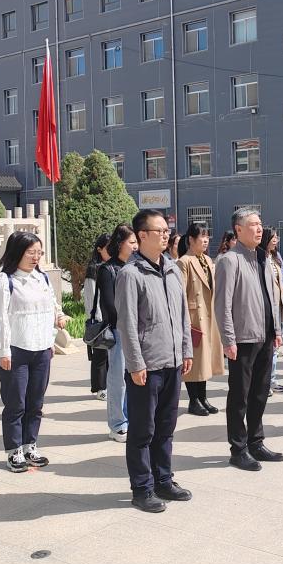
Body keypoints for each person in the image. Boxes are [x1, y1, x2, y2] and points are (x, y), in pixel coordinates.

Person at [115, 209, 194, 513]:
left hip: (172, 362)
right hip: (146, 367)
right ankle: (142, 488)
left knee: (166, 427)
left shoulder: (172, 269)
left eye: (166, 230)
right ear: (142, 235)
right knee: (142, 431)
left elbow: (183, 315)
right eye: (159, 231)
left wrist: (186, 350)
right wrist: (135, 364)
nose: (165, 235)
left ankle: (164, 480)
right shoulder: (131, 274)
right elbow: (127, 324)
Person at [214, 208, 283, 471]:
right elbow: (222, 304)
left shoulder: (262, 257)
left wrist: (276, 330)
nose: (259, 228)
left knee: (260, 393)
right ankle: (238, 449)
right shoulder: (229, 260)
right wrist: (228, 339)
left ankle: (256, 442)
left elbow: (271, 297)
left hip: (265, 335)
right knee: (240, 396)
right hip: (243, 338)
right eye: (253, 224)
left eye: (260, 223)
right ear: (238, 229)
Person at [0, 231, 66, 472]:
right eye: (30, 252)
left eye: (39, 252)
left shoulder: (42, 278)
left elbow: (52, 305)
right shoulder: (5, 280)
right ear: (17, 252)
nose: (36, 257)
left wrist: (58, 320)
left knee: (36, 402)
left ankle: (30, 445)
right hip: (16, 350)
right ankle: (14, 451)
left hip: (42, 349)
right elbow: (0, 319)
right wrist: (3, 351)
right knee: (16, 403)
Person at [176, 223, 223, 416]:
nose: (205, 241)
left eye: (207, 236)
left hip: (208, 316)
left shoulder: (207, 260)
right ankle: (193, 400)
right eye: (201, 237)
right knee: (193, 362)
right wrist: (185, 321)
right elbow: (180, 295)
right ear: (191, 240)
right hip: (194, 318)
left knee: (204, 361)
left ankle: (203, 398)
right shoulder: (184, 262)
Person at [98, 224, 138, 441]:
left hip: (137, 330)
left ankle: (132, 418)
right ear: (120, 243)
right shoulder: (108, 269)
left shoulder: (136, 266)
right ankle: (118, 424)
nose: (135, 246)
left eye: (136, 242)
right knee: (117, 379)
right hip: (119, 330)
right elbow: (109, 304)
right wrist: (126, 323)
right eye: (131, 242)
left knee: (135, 377)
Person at [261, 229, 283, 394]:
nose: (276, 240)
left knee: (274, 347)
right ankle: (265, 383)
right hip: (267, 309)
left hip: (278, 307)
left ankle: (271, 381)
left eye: (277, 237)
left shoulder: (276, 256)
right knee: (268, 349)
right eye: (273, 237)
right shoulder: (260, 257)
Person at [83, 234, 111, 399]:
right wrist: (96, 319)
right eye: (108, 247)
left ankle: (108, 385)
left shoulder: (112, 266)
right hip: (100, 319)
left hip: (111, 318)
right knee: (100, 355)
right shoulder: (94, 269)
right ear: (99, 249)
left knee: (110, 355)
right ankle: (100, 388)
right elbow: (90, 297)